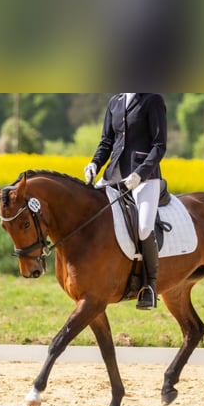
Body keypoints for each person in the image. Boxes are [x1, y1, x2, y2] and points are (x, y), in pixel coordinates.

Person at [83, 93, 167, 310]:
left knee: (144, 228)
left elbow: (159, 146)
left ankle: (150, 286)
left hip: (144, 178)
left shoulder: (152, 100)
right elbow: (107, 142)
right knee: (89, 213)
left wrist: (141, 173)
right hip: (113, 174)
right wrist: (94, 164)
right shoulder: (115, 101)